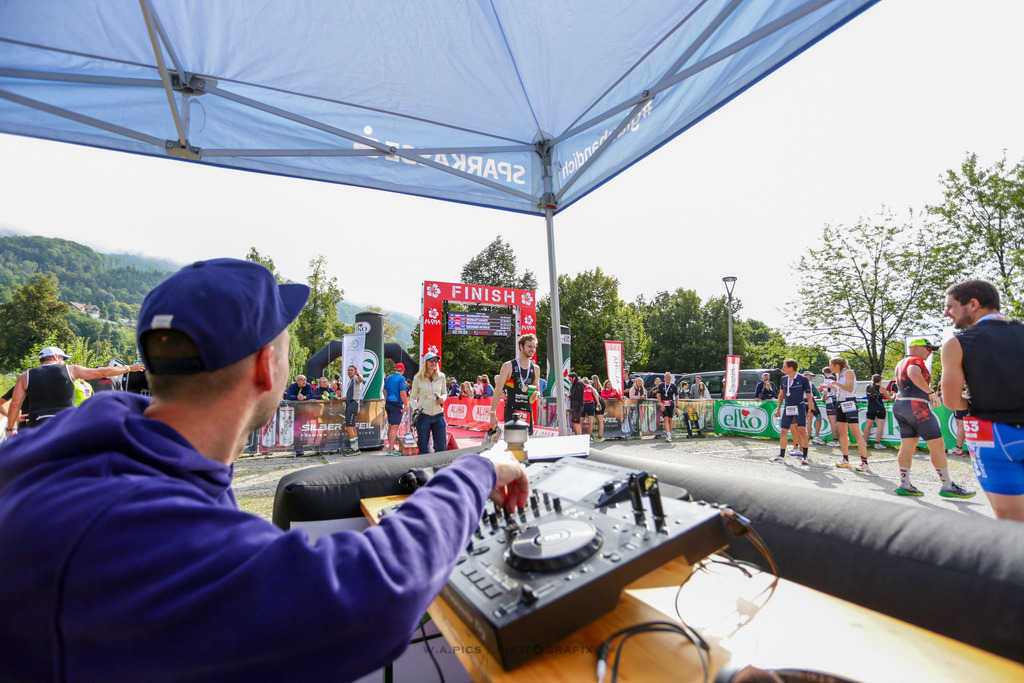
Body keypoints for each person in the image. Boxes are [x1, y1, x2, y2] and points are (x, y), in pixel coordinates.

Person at [0, 257, 529, 682]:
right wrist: (476, 472)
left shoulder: (89, 445)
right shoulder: (133, 525)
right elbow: (377, 590)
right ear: (264, 366)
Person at [940, 279, 1024, 521]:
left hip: (995, 437)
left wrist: (978, 403)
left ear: (973, 304)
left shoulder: (957, 342)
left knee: (1013, 528)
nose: (947, 313)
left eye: (950, 307)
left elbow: (952, 402)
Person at [891, 338, 975, 499]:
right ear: (914, 347)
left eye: (931, 349)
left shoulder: (901, 362)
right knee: (937, 445)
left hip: (901, 406)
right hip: (916, 408)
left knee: (907, 445)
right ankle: (948, 486)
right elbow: (914, 374)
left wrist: (925, 393)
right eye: (927, 348)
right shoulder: (915, 360)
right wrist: (930, 393)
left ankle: (905, 484)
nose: (930, 352)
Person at [4, 347, 144, 435]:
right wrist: (129, 368)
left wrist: (11, 429)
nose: (64, 361)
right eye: (63, 358)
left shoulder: (25, 376)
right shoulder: (70, 370)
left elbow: (15, 404)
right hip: (65, 422)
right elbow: (103, 372)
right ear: (55, 357)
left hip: (37, 423)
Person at [490, 333, 541, 434]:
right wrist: (492, 414)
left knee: (527, 444)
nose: (532, 349)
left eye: (534, 347)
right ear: (521, 347)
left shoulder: (535, 368)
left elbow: (537, 390)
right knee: (513, 444)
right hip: (512, 411)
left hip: (527, 411)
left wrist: (537, 395)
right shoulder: (508, 366)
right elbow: (497, 391)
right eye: (529, 346)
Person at [825, 357, 870, 470]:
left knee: (855, 432)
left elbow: (849, 389)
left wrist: (835, 383)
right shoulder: (838, 375)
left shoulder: (849, 373)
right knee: (842, 432)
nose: (830, 367)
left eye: (831, 365)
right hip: (839, 403)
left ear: (837, 365)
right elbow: (841, 390)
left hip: (849, 402)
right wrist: (830, 387)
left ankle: (864, 462)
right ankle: (845, 459)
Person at [771, 359, 814, 465]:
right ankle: (781, 455)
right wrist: (778, 409)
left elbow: (809, 396)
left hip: (799, 406)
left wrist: (810, 410)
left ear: (791, 368)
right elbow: (781, 395)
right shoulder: (783, 379)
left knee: (802, 431)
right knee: (783, 431)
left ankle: (805, 456)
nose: (783, 368)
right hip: (788, 407)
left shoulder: (803, 379)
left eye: (784, 366)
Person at [410, 352, 447, 454]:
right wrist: (416, 410)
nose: (434, 363)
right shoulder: (418, 378)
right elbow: (412, 398)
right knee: (424, 449)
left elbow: (444, 393)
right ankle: (424, 469)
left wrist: (442, 399)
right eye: (431, 360)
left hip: (439, 415)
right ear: (425, 362)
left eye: (436, 360)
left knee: (441, 448)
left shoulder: (442, 376)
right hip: (423, 416)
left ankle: (439, 469)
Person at [383, 362, 409, 455]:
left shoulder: (389, 377)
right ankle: (391, 449)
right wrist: (406, 405)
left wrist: (387, 400)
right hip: (396, 404)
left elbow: (384, 390)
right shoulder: (402, 378)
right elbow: (403, 393)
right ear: (403, 370)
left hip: (388, 403)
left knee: (390, 426)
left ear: (395, 369)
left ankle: (390, 447)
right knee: (394, 427)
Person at [863, 374, 892, 450]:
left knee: (868, 425)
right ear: (880, 380)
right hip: (880, 408)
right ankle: (877, 444)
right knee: (880, 426)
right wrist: (894, 395)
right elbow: (890, 399)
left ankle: (864, 442)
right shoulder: (881, 388)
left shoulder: (867, 386)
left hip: (870, 408)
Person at [341, 365, 363, 456]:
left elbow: (361, 379)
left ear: (354, 371)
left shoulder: (356, 379)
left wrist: (358, 374)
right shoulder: (350, 382)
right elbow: (347, 397)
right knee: (352, 427)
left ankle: (354, 449)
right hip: (350, 403)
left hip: (353, 404)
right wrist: (338, 398)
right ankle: (356, 448)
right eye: (348, 370)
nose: (350, 371)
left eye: (351, 370)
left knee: (349, 427)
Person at [818, 366, 841, 446]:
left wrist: (823, 399)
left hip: (830, 401)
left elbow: (825, 393)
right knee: (839, 422)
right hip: (838, 400)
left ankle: (836, 440)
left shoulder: (827, 380)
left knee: (832, 422)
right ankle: (842, 439)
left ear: (824, 373)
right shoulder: (837, 379)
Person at [654, 371, 678, 442]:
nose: (668, 378)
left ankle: (669, 434)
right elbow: (658, 395)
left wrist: (677, 406)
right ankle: (668, 434)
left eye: (669, 377)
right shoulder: (661, 385)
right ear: (664, 378)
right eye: (666, 377)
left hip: (671, 404)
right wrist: (661, 404)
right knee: (666, 418)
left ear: (671, 378)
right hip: (664, 404)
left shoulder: (673, 386)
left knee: (670, 419)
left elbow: (676, 396)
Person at [804, 371, 826, 445]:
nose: (811, 377)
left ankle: (812, 438)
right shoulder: (808, 383)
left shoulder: (802, 382)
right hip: (810, 400)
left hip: (805, 401)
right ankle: (814, 437)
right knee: (816, 418)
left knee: (811, 419)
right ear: (805, 376)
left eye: (812, 376)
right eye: (810, 376)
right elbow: (810, 394)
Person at [590, 375, 606, 441]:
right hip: (601, 402)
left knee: (592, 420)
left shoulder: (591, 386)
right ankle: (600, 436)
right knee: (600, 421)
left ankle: (597, 437)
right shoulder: (600, 387)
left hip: (597, 402)